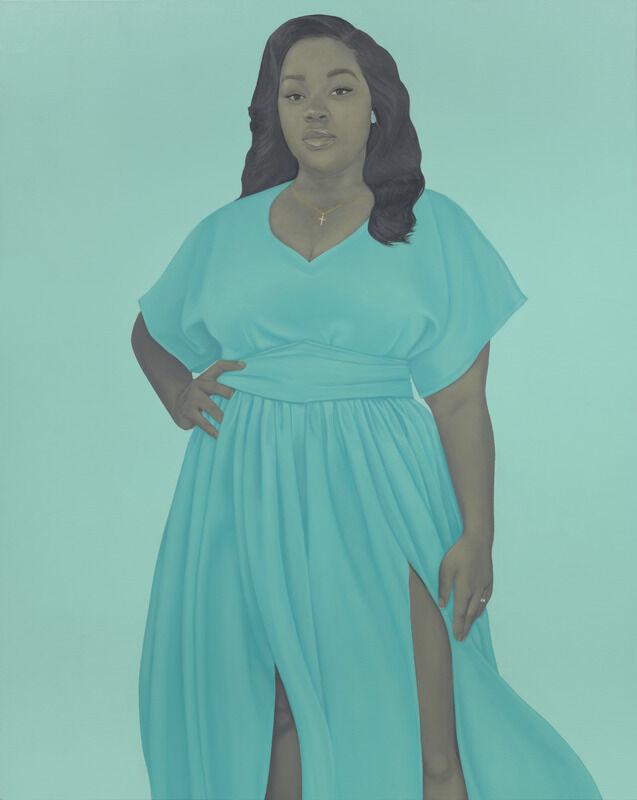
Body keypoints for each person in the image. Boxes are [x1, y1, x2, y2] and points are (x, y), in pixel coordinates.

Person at [131, 14, 602, 800]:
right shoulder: (226, 231)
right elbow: (150, 331)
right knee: (274, 714)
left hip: (383, 485)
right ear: (275, 112)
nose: (315, 110)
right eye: (294, 94)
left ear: (376, 105)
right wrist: (179, 393)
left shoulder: (431, 226)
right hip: (243, 488)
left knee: (430, 716)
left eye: (339, 90)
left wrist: (477, 533)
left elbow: (460, 402)